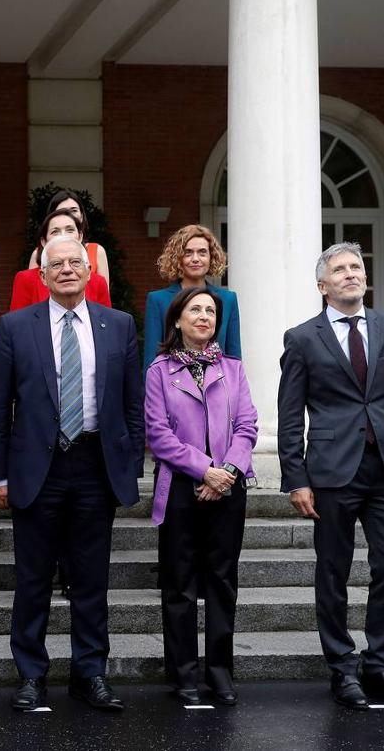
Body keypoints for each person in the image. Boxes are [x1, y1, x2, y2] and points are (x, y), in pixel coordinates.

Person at [0, 235, 143, 713]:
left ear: (90, 272)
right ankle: (31, 675)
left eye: (77, 262)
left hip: (96, 466)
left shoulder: (119, 326)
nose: (68, 270)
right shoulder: (16, 326)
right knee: (32, 578)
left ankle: (90, 673)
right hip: (38, 467)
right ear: (43, 274)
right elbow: (0, 407)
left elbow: (133, 405)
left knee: (92, 579)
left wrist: (130, 464)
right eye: (58, 264)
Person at [277, 242, 384, 710]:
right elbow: (288, 414)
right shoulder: (302, 338)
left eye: (356, 267)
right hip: (331, 472)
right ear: (322, 285)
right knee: (333, 571)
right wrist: (295, 477)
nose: (350, 274)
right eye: (339, 270)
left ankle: (380, 665)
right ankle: (342, 669)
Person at [145, 286, 258, 706]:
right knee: (179, 585)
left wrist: (226, 471)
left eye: (211, 311)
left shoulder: (233, 369)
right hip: (180, 487)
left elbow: (247, 425)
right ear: (177, 319)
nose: (204, 317)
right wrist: (204, 469)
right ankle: (184, 675)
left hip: (228, 487)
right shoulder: (159, 371)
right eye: (195, 309)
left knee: (222, 582)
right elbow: (158, 434)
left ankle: (220, 672)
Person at [143, 224, 240, 371]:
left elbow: (234, 357)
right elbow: (151, 360)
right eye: (188, 253)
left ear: (211, 256)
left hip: (219, 387)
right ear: (178, 258)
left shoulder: (228, 299)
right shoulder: (158, 300)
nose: (195, 259)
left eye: (202, 252)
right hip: (172, 389)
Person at [10, 208, 111, 311]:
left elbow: (105, 321)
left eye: (70, 230)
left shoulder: (98, 282)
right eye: (55, 231)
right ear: (44, 241)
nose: (63, 235)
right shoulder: (25, 279)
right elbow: (18, 323)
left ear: (80, 236)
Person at [27, 190, 111, 284]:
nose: (69, 215)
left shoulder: (97, 251)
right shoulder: (38, 253)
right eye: (61, 211)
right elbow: (31, 288)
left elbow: (103, 294)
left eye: (74, 210)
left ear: (82, 216)